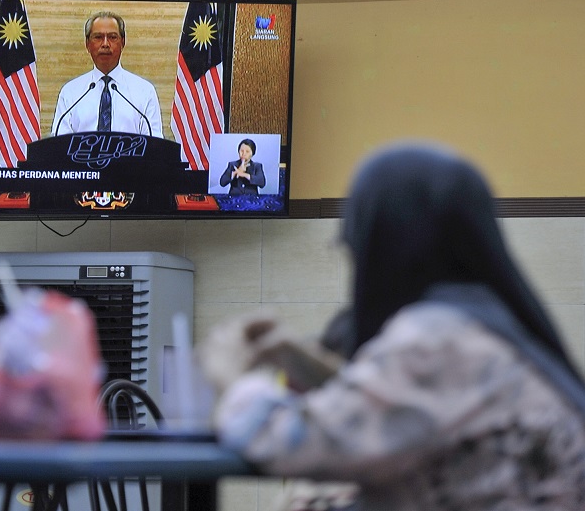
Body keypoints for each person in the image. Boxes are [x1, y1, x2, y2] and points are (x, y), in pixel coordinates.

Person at [200, 142, 585, 510]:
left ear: (386, 247)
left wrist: (233, 376)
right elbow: (391, 409)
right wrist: (294, 357)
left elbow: (288, 442)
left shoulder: (434, 341)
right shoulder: (482, 323)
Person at [51, 12, 163, 137]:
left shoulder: (145, 91)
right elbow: (59, 144)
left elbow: (154, 145)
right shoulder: (71, 92)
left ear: (123, 43)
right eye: (98, 37)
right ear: (87, 44)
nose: (105, 44)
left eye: (112, 37)